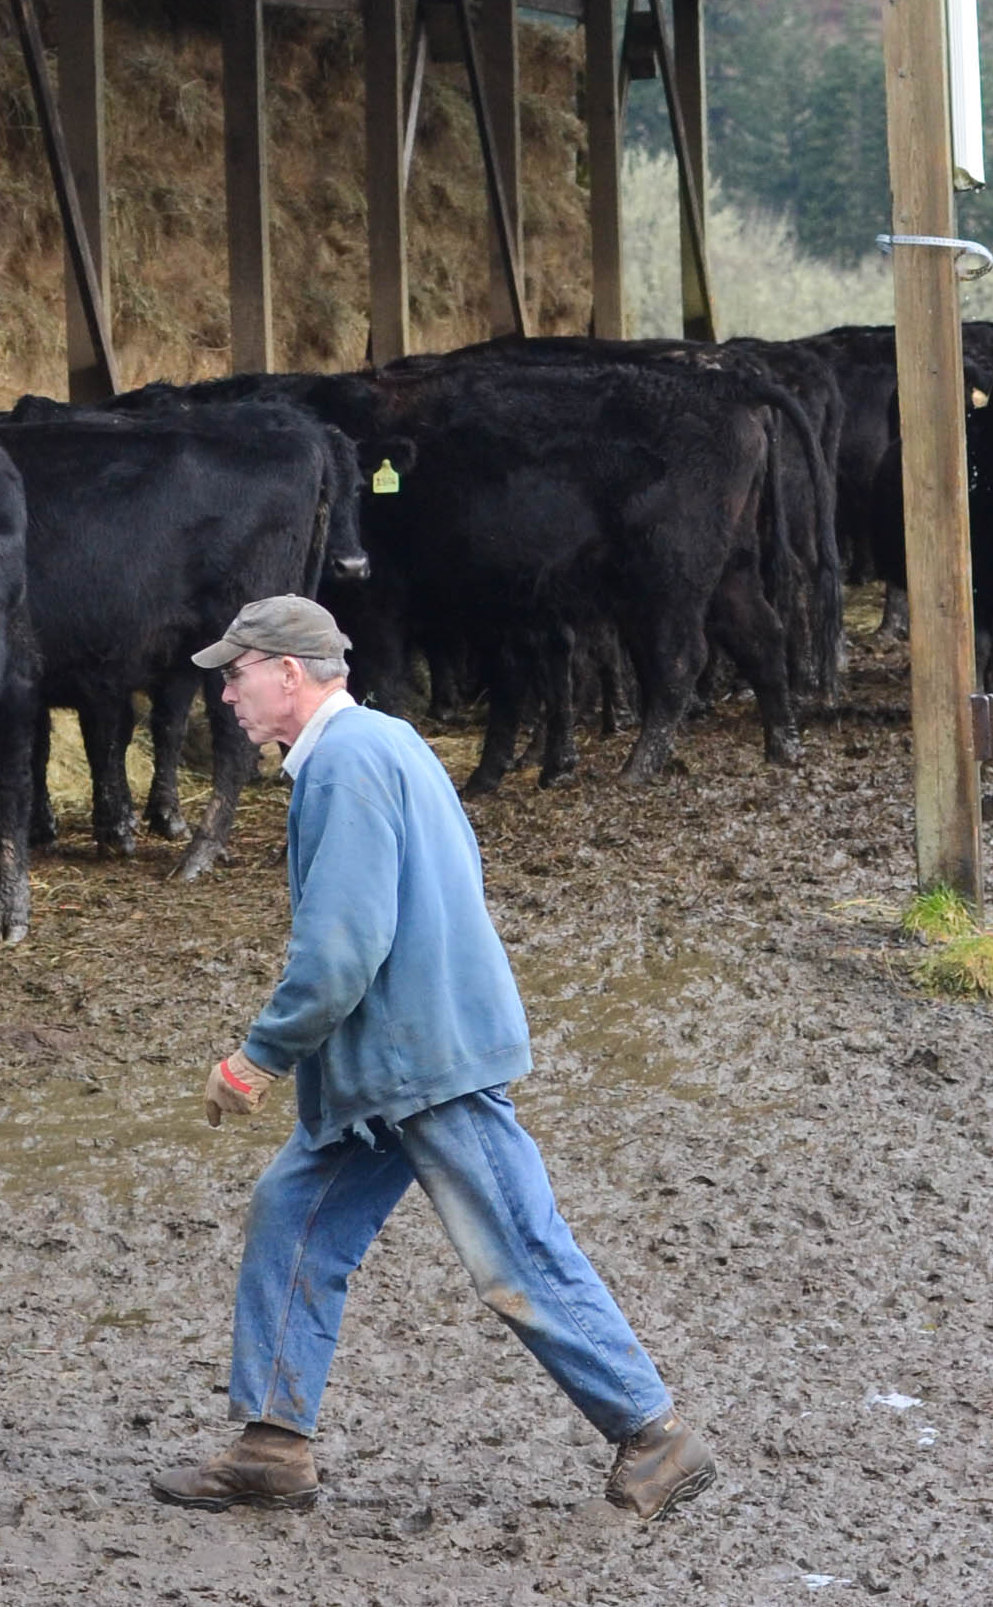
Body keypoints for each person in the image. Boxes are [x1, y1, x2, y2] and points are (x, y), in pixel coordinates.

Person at [151, 596, 715, 1523]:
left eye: (236, 674)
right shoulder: (386, 741)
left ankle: (656, 1437)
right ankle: (271, 1444)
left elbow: (340, 949)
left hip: (420, 1061)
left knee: (518, 1251)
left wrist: (257, 1059)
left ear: (288, 673)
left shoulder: (343, 766)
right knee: (291, 1211)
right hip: (393, 1062)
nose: (224, 695)